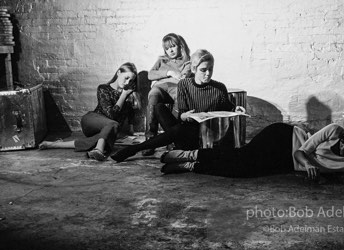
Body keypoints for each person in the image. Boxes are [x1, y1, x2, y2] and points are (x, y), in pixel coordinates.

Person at [110, 49, 244, 162]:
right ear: (194, 68)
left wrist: (235, 108)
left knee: (178, 131)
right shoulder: (184, 84)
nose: (208, 73)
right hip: (186, 128)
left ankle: (133, 149)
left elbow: (227, 106)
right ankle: (177, 147)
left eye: (210, 69)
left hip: (202, 137)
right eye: (203, 70)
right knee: (159, 108)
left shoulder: (219, 87)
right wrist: (186, 116)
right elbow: (182, 115)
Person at [159, 119, 344, 184]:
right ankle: (189, 155)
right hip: (284, 138)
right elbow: (301, 152)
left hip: (283, 162)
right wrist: (308, 164)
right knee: (241, 158)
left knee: (242, 172)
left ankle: (191, 166)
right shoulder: (334, 130)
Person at [39, 62, 141, 161]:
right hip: (92, 121)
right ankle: (99, 149)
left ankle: (54, 144)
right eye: (126, 78)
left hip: (108, 129)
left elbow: (129, 114)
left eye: (131, 81)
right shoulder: (103, 88)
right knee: (112, 124)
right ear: (119, 73)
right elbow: (111, 115)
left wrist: (130, 131)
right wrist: (123, 96)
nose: (127, 82)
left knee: (103, 139)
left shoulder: (128, 94)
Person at [143, 33, 192, 156]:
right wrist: (169, 72)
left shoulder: (187, 62)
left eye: (173, 46)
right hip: (160, 87)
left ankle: (172, 139)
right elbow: (150, 75)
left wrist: (179, 75)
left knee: (180, 96)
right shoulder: (162, 60)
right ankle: (150, 139)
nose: (170, 50)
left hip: (176, 87)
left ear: (180, 46)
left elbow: (183, 78)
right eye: (167, 48)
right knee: (153, 95)